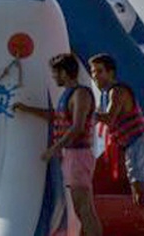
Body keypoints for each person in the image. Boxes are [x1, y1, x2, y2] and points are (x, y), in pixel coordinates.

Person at [13, 53, 103, 236]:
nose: (53, 77)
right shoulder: (67, 95)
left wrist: (54, 148)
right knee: (80, 208)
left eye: (55, 73)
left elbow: (77, 127)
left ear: (64, 72)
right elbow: (56, 117)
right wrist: (27, 109)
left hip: (79, 154)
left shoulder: (81, 94)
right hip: (72, 155)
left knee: (84, 207)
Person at [90, 52, 144, 224]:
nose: (95, 76)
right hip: (131, 147)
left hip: (138, 144)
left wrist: (84, 113)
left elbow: (109, 118)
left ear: (111, 73)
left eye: (99, 71)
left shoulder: (117, 91)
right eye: (93, 72)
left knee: (143, 196)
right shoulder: (104, 96)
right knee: (139, 198)